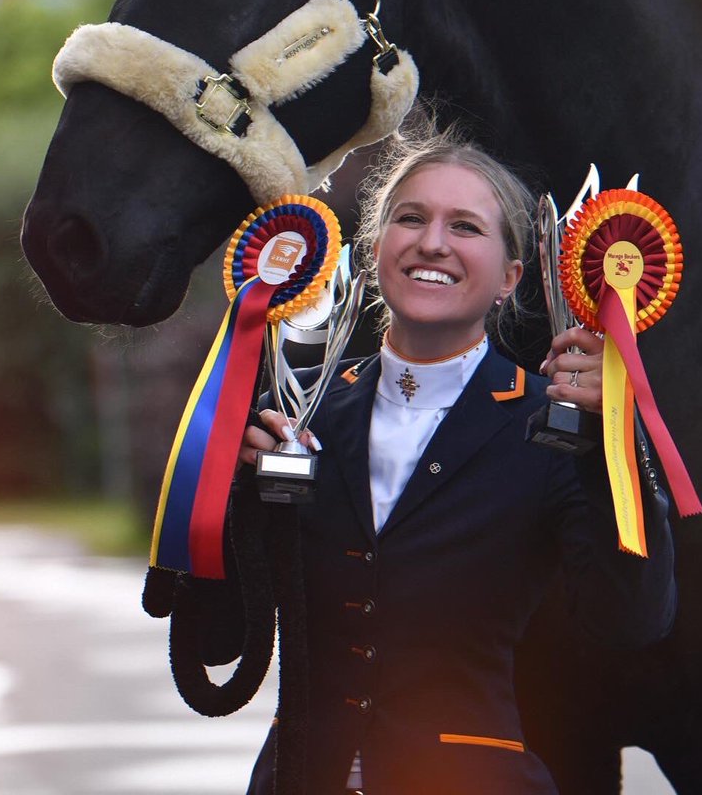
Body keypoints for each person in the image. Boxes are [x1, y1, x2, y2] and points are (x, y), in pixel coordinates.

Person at [236, 128, 676, 794]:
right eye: (410, 218)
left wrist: (612, 446)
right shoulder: (294, 414)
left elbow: (632, 620)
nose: (432, 243)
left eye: (464, 226)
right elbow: (222, 638)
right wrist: (237, 495)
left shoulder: (554, 427)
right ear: (375, 249)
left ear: (509, 278)